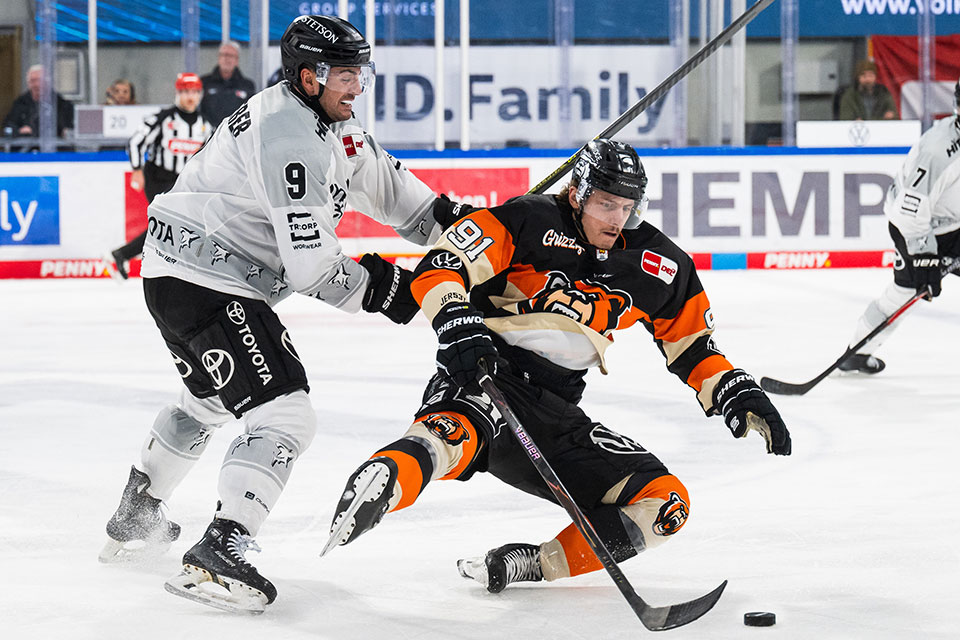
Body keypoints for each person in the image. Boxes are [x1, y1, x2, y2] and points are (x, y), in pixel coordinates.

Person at [99, 15, 470, 614]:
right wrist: (403, 292)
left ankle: (138, 510)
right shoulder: (287, 135)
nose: (358, 86)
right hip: (206, 283)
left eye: (361, 73)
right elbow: (314, 269)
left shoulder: (334, 126)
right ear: (308, 75)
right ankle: (220, 548)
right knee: (286, 414)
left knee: (210, 401)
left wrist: (478, 229)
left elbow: (409, 204)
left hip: (178, 276)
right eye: (345, 74)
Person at [324, 139, 792, 595]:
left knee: (664, 504)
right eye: (606, 204)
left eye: (627, 206)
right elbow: (440, 268)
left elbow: (692, 347)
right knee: (447, 439)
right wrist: (457, 323)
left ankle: (532, 563)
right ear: (576, 195)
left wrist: (734, 389)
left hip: (556, 412)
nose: (617, 218)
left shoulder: (659, 263)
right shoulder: (527, 219)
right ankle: (384, 481)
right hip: (487, 373)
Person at [837, 78, 960, 374]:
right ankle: (857, 352)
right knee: (905, 292)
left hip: (953, 223)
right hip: (917, 229)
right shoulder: (938, 151)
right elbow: (909, 211)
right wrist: (925, 255)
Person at [105, 73, 211, 280]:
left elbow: (209, 156)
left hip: (183, 183)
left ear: (200, 94)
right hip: (158, 178)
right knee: (170, 222)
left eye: (194, 92)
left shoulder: (205, 125)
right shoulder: (163, 119)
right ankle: (130, 257)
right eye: (186, 92)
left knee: (173, 224)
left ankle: (122, 254)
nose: (190, 97)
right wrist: (137, 169)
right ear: (177, 93)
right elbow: (136, 141)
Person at [1, 64, 74, 137]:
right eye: (32, 81)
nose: (36, 84)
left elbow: (65, 130)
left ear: (48, 82)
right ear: (28, 83)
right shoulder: (21, 102)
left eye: (39, 80)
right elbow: (8, 127)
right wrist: (18, 131)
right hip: (25, 143)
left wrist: (34, 130)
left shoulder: (61, 104)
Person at [200, 41, 257, 127]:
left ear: (237, 60)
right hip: (209, 132)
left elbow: (251, 113)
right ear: (219, 58)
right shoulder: (204, 82)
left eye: (230, 56)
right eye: (224, 55)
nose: (227, 59)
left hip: (236, 132)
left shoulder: (247, 85)